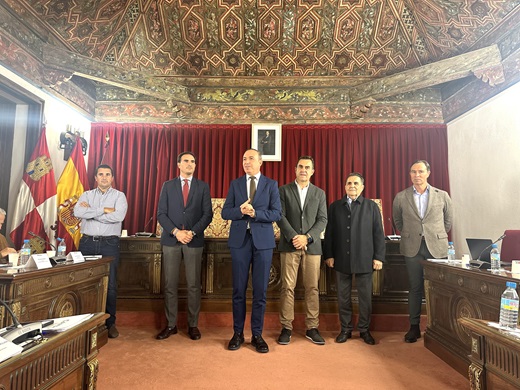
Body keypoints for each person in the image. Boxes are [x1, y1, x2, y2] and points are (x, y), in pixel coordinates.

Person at [221, 149, 281, 353]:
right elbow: (224, 212)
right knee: (238, 289)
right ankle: (237, 333)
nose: (247, 162)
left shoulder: (271, 184)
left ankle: (257, 334)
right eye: (244, 158)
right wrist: (239, 210)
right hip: (240, 241)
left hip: (263, 242)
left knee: (260, 291)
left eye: (251, 158)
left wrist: (256, 213)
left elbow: (276, 213)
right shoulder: (236, 184)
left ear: (260, 162)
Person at [393, 160, 452, 343]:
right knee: (415, 288)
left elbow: (448, 222)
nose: (416, 175)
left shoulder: (441, 195)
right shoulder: (401, 197)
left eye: (420, 171)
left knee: (438, 289)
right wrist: (412, 235)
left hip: (437, 247)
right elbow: (398, 222)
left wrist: (434, 234)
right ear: (409, 175)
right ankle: (414, 327)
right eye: (413, 172)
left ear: (428, 173)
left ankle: (439, 327)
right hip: (413, 247)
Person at [156, 152, 213, 341]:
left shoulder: (202, 186)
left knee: (193, 285)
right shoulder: (168, 185)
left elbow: (207, 215)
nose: (190, 164)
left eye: (193, 162)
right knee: (170, 284)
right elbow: (161, 214)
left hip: (193, 241)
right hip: (171, 240)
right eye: (186, 161)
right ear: (178, 164)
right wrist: (176, 232)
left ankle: (193, 325)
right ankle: (171, 325)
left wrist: (191, 232)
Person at [323, 173, 385, 345]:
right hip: (341, 259)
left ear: (362, 187)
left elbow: (378, 233)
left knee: (365, 298)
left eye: (356, 183)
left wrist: (378, 257)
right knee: (343, 297)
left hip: (365, 259)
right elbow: (330, 233)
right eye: (349, 183)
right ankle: (346, 329)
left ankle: (364, 330)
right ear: (344, 186)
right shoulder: (335, 206)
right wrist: (329, 254)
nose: (352, 186)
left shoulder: (371, 206)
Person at [276, 156, 327, 345]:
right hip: (289, 245)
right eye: (300, 166)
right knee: (287, 287)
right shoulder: (284, 190)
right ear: (295, 169)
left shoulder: (319, 193)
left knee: (312, 287)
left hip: (312, 247)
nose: (303, 170)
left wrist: (307, 237)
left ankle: (312, 327)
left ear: (313, 171)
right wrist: (294, 237)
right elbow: (280, 216)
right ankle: (286, 327)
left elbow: (322, 219)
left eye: (307, 167)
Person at [74, 164, 128, 339]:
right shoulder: (86, 195)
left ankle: (110, 323)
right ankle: (86, 323)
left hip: (109, 244)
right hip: (87, 243)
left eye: (107, 175)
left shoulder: (119, 196)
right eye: (101, 174)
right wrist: (104, 210)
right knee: (86, 283)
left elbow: (118, 216)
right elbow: (77, 211)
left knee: (110, 285)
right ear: (95, 178)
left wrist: (90, 213)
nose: (104, 177)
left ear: (112, 178)